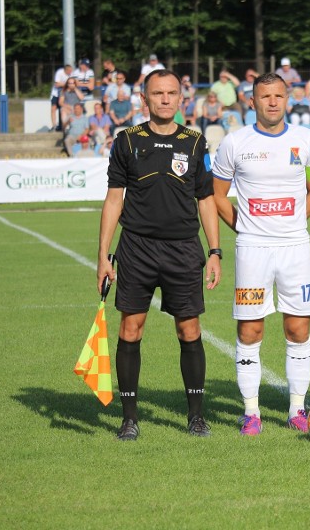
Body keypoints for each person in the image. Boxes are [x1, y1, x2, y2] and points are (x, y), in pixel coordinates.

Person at [98, 69, 221, 441]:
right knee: (130, 329)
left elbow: (206, 200)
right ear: (144, 99)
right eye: (157, 94)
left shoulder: (196, 143)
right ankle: (129, 417)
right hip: (136, 248)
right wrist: (103, 255)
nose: (165, 99)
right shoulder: (127, 141)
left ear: (181, 98)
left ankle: (196, 416)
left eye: (171, 93)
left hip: (184, 248)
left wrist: (214, 252)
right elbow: (113, 199)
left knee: (189, 329)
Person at [212, 72, 310, 436]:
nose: (272, 102)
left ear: (287, 98)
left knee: (298, 327)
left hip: (295, 248)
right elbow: (217, 196)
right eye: (265, 97)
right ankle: (251, 412)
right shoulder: (234, 143)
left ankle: (297, 408)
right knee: (250, 329)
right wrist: (244, 228)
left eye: (279, 95)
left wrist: (293, 221)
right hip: (252, 251)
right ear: (252, 102)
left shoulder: (305, 140)